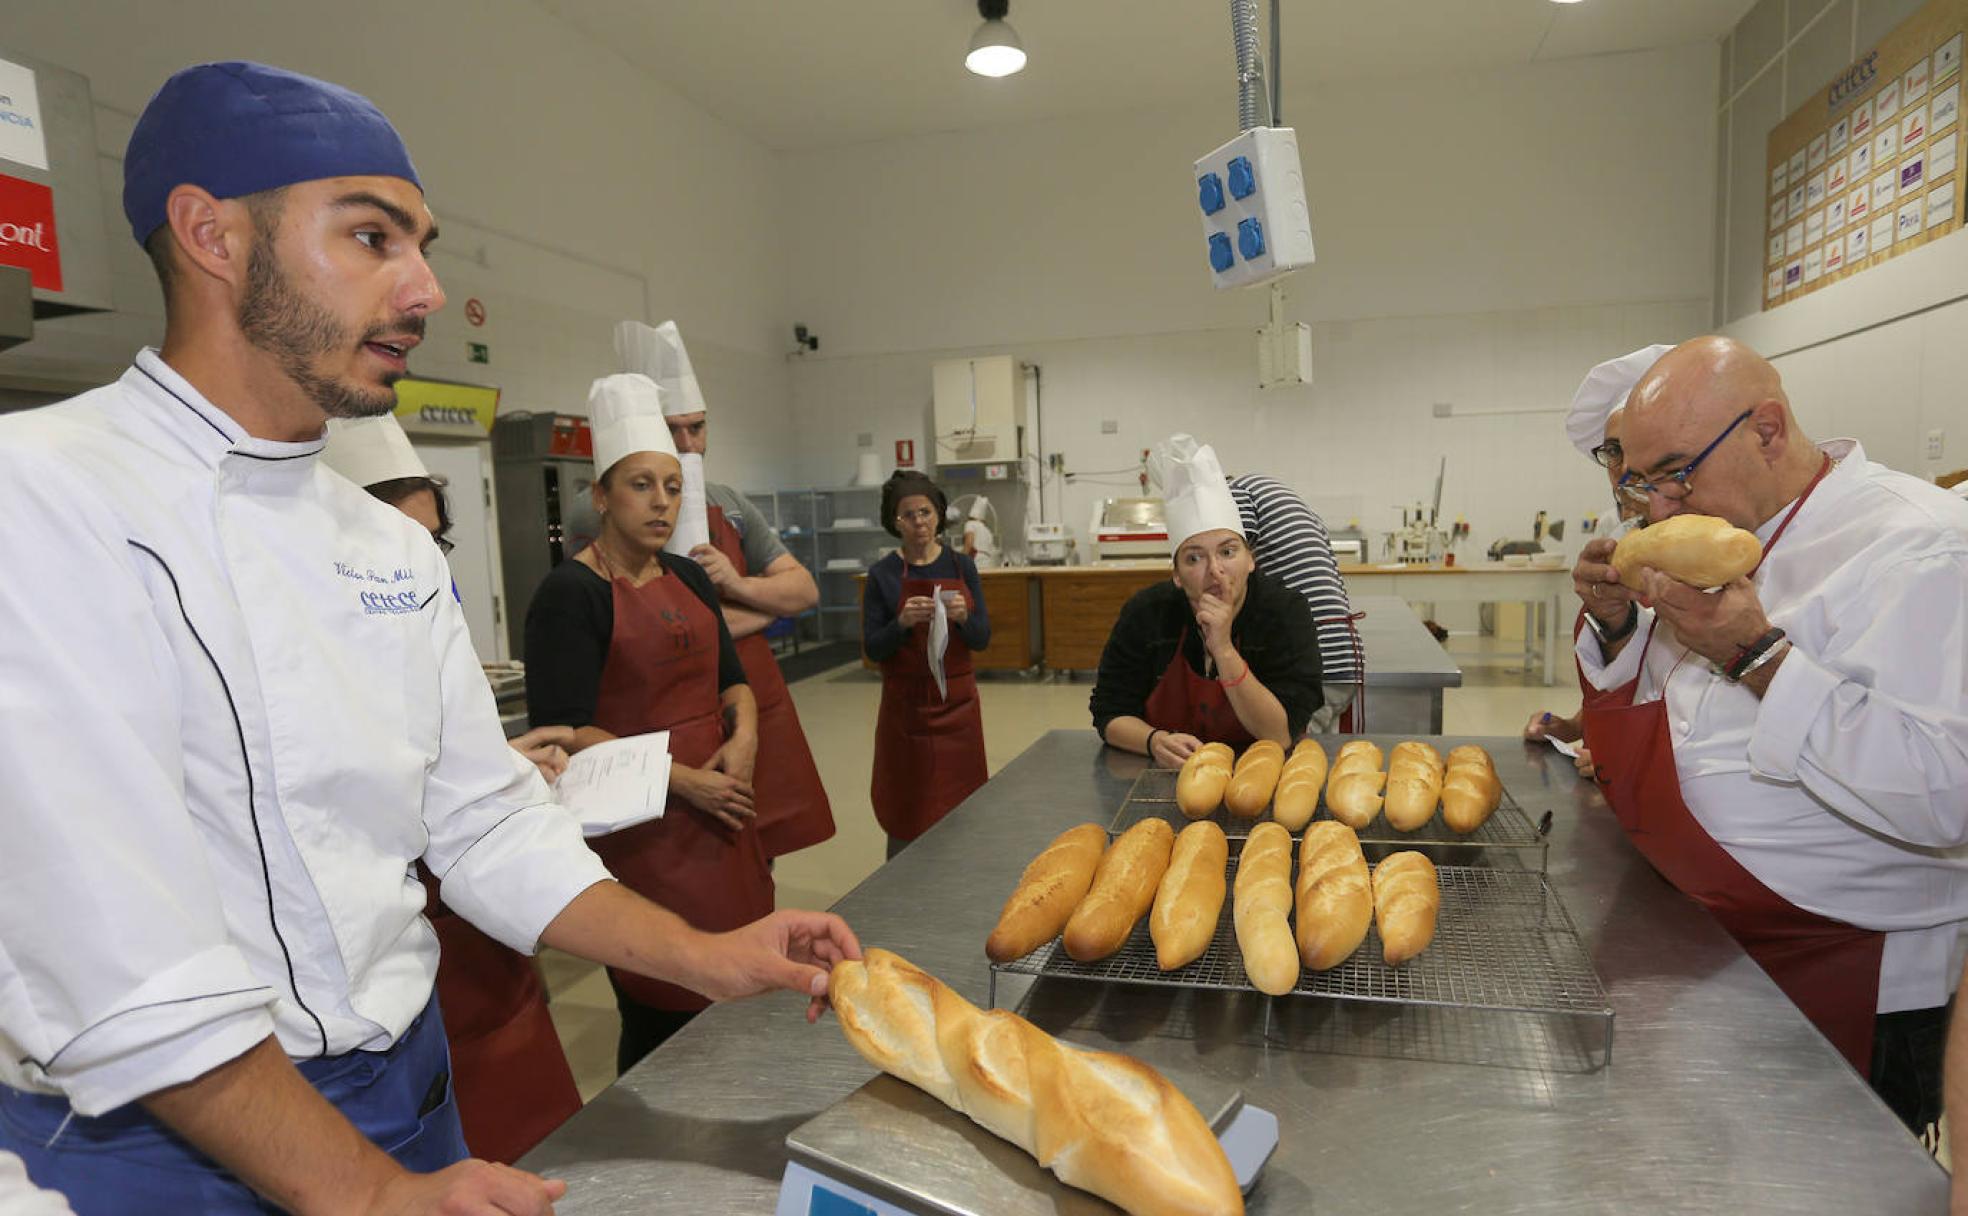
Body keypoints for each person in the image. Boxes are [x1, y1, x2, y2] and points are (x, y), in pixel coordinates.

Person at [0, 62, 858, 1215]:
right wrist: (366, 1197)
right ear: (211, 234)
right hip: (155, 1142)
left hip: (407, 1089)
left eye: (423, 243)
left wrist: (709, 954)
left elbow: (486, 822)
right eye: (371, 237)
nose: (426, 288)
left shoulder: (387, 549)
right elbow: (118, 955)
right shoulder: (43, 500)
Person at [1572, 335, 1968, 1140]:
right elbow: (1676, 700)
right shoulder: (1725, 524)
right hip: (1712, 941)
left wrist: (1758, 657)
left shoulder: (1922, 545)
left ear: (1768, 430)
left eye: (1678, 471)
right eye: (1642, 482)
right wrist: (1619, 627)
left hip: (1846, 976)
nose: (1660, 506)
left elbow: (1945, 794)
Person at [322, 414, 583, 1164]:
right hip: (382, 994)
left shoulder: (427, 616)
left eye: (430, 542)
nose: (416, 563)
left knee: (541, 1148)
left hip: (483, 948)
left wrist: (497, 762)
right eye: (392, 540)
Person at [523, 373, 779, 1073]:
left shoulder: (688, 576)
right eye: (641, 485)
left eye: (671, 486)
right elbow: (566, 731)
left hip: (724, 811)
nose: (661, 501)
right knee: (664, 999)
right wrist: (687, 783)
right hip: (644, 826)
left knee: (743, 976)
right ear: (600, 495)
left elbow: (733, 677)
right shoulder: (568, 594)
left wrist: (745, 739)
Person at [617, 319, 836, 860]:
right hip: (667, 712)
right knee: (684, 854)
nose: (690, 445)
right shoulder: (606, 514)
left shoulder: (731, 504)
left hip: (751, 697)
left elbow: (803, 589)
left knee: (761, 845)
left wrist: (737, 585)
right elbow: (647, 629)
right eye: (676, 430)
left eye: (699, 427)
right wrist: (758, 612)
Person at [1091, 439, 1323, 767]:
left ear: (1251, 561)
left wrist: (1224, 649)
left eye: (1228, 552)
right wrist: (1153, 741)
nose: (1215, 570)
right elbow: (1109, 712)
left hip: (1263, 773)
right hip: (1168, 776)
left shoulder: (1284, 613)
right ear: (1176, 574)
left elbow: (1280, 734)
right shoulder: (1146, 614)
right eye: (1194, 557)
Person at [1522, 343, 1670, 777]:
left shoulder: (1724, 545)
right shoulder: (1620, 536)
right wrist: (1578, 727)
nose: (1628, 471)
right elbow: (1641, 662)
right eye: (1615, 452)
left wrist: (1638, 751)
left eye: (1645, 448)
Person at [1147, 436, 1355, 731]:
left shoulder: (1235, 498)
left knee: (1289, 752)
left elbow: (1227, 563)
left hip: (1311, 654)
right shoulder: (1264, 487)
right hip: (1341, 651)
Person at [862, 470, 991, 859]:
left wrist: (964, 616)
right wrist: (901, 623)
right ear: (894, 522)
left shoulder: (960, 567)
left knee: (963, 804)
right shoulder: (883, 575)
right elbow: (873, 648)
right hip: (907, 709)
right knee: (909, 805)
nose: (919, 522)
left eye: (925, 512)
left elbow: (982, 638)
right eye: (908, 515)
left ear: (938, 514)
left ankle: (962, 875)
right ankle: (904, 884)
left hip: (958, 707)